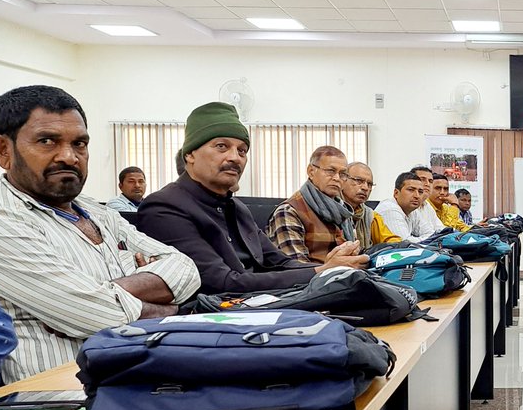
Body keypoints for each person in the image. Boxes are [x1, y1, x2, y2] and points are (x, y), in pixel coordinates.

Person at [0, 86, 200, 383]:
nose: (69, 157)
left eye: (79, 144)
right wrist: (171, 308)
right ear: (4, 150)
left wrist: (96, 292)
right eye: (47, 141)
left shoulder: (99, 212)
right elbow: (96, 315)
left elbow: (185, 268)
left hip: (140, 383)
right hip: (55, 405)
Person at [139, 102, 366, 295]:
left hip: (263, 305)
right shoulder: (164, 207)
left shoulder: (236, 208)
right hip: (218, 322)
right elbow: (220, 283)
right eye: (221, 146)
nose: (235, 158)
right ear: (189, 154)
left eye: (242, 151)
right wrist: (321, 271)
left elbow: (279, 263)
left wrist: (331, 266)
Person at [267, 146, 358, 263]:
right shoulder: (289, 212)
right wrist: (332, 266)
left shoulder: (343, 211)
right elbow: (295, 269)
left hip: (347, 276)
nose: (337, 178)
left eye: (342, 174)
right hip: (313, 279)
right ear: (311, 171)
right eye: (330, 171)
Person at [339, 161, 400, 250]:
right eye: (359, 181)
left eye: (370, 184)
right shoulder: (331, 210)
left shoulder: (370, 216)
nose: (365, 188)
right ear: (343, 180)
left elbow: (391, 241)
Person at [375, 172, 436, 242]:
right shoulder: (389, 209)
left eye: (420, 191)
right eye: (411, 190)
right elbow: (404, 244)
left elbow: (431, 234)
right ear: (396, 193)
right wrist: (430, 240)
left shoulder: (412, 210)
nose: (417, 196)